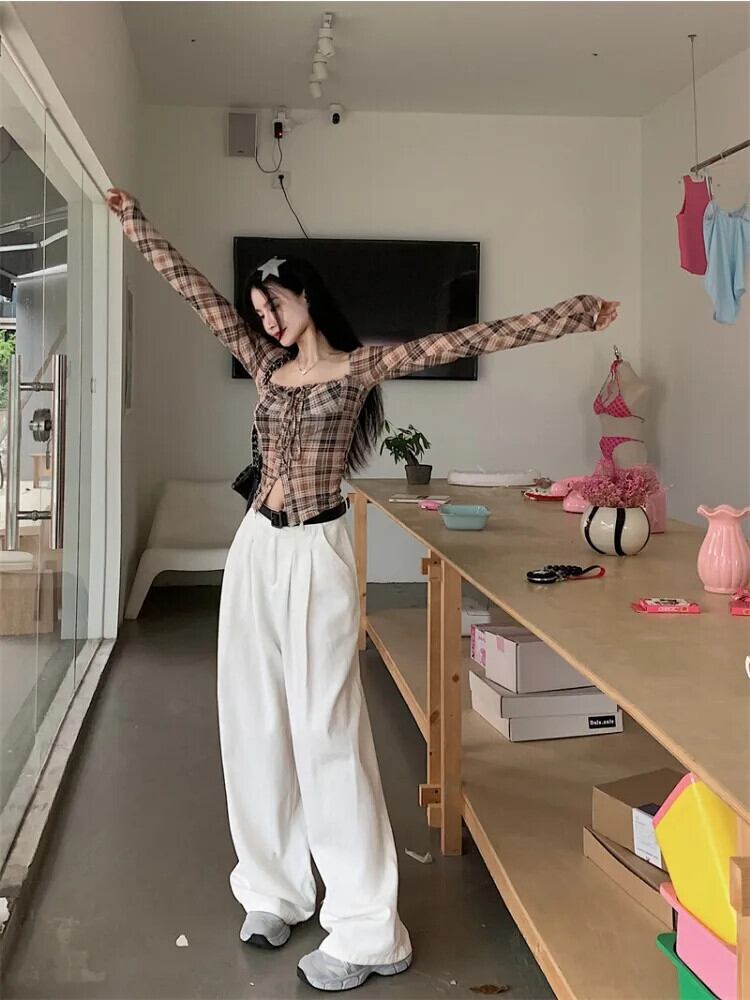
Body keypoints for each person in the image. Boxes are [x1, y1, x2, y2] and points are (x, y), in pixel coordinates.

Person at [107, 187, 619, 993]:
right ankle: (273, 888)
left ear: (306, 295)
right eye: (259, 311)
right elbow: (197, 294)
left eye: (274, 304)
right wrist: (134, 220)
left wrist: (577, 314)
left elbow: (469, 337)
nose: (266, 320)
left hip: (318, 551)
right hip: (256, 549)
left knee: (327, 728)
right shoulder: (265, 366)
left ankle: (368, 930)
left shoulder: (358, 369)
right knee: (251, 718)